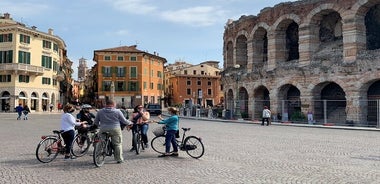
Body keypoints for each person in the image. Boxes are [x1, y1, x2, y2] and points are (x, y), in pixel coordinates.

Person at [93, 99, 132, 163]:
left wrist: (95, 126)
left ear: (106, 104)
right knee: (117, 144)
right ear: (114, 104)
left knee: (100, 143)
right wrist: (130, 123)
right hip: (115, 129)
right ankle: (119, 159)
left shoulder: (100, 111)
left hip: (103, 129)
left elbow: (96, 122)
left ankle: (96, 157)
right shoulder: (117, 111)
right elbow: (124, 121)